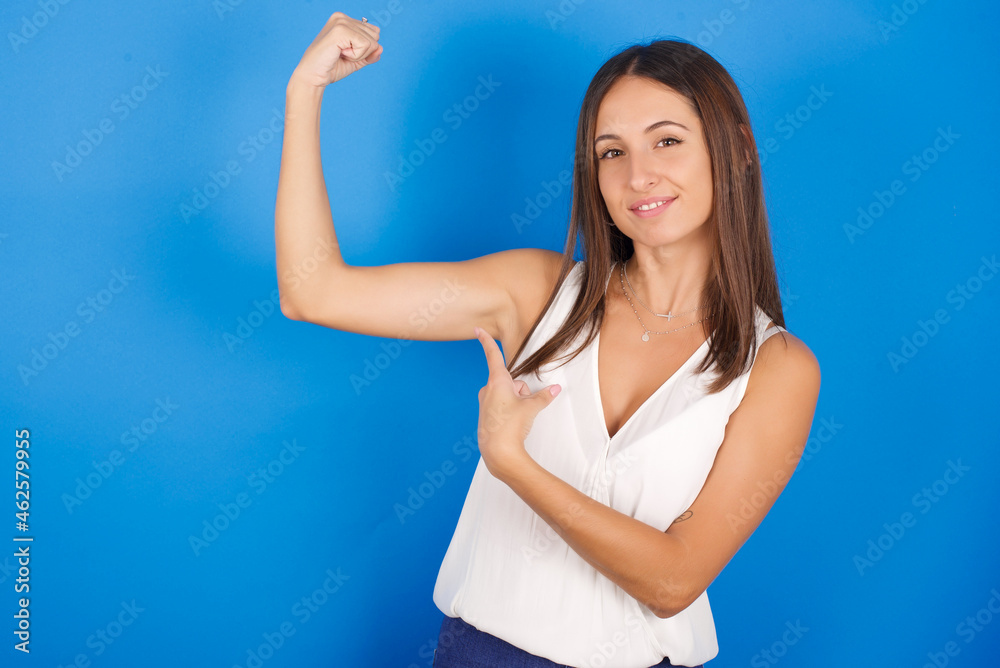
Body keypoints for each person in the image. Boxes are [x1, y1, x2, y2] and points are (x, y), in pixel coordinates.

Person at [275, 12, 821, 668]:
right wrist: (305, 92)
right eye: (611, 152)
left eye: (668, 141)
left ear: (734, 149)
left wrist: (516, 465)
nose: (638, 176)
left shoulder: (778, 368)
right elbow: (313, 292)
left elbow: (674, 581)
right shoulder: (538, 294)